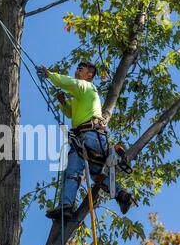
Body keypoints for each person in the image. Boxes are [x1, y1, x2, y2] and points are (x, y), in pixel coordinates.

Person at [39, 62, 135, 220]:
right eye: (77, 68)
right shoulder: (81, 97)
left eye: (81, 69)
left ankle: (66, 206)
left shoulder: (86, 87)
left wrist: (49, 75)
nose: (77, 71)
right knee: (97, 175)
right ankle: (121, 195)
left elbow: (68, 82)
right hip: (97, 139)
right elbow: (71, 114)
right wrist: (64, 103)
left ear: (89, 75)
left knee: (72, 171)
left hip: (88, 136)